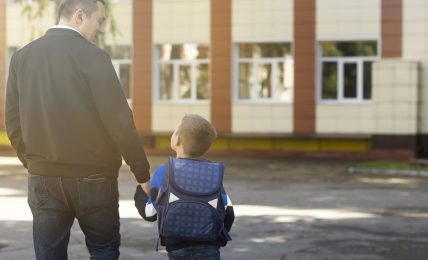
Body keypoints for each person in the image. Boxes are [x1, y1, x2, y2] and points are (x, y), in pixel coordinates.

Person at [5, 0, 150, 259]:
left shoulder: (21, 57)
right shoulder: (94, 57)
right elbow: (120, 122)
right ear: (80, 16)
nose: (102, 28)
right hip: (94, 178)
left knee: (49, 255)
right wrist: (142, 174)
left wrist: (34, 163)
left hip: (43, 177)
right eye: (100, 20)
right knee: (103, 250)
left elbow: (13, 122)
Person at [134, 114, 235, 260]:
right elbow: (229, 213)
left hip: (177, 247)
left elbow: (150, 213)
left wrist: (140, 191)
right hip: (210, 247)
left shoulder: (165, 171)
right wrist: (217, 238)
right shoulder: (212, 173)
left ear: (177, 140)